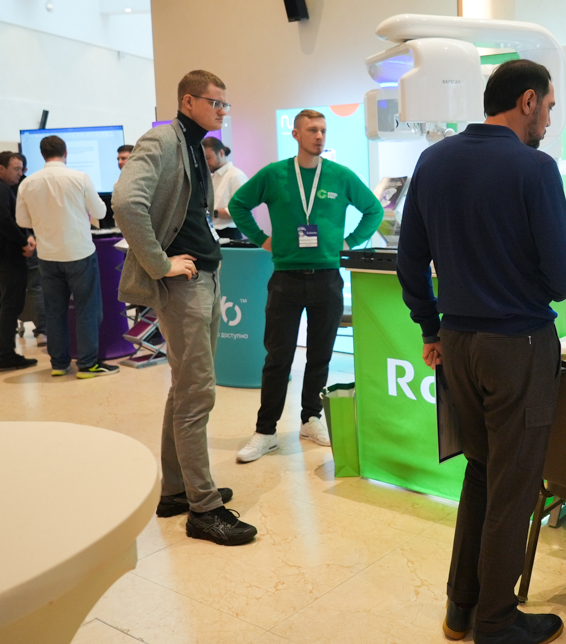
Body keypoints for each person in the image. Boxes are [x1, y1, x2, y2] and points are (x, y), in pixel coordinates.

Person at [396, 59, 566, 644]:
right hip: (517, 344)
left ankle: (462, 607)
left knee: (480, 471)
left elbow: (409, 261)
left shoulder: (433, 161)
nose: (548, 121)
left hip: (458, 343)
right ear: (527, 101)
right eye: (548, 107)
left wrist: (431, 327)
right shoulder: (535, 169)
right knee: (514, 485)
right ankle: (497, 622)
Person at [113, 69, 253, 546]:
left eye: (225, 104)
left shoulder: (195, 146)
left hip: (205, 277)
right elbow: (126, 203)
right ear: (189, 101)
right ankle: (204, 509)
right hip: (184, 284)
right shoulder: (161, 139)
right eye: (215, 102)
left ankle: (176, 490)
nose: (222, 111)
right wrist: (159, 263)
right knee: (197, 394)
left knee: (185, 389)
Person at [230, 109, 383, 462]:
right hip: (285, 278)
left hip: (327, 279)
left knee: (320, 355)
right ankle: (266, 431)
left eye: (323, 130)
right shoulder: (274, 174)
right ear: (296, 134)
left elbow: (373, 210)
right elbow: (238, 205)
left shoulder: (340, 175)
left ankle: (311, 418)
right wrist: (261, 239)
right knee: (278, 358)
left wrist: (350, 242)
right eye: (312, 130)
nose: (319, 136)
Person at [16, 135, 117, 378]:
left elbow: (22, 221)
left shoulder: (28, 183)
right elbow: (100, 211)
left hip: (48, 255)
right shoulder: (79, 177)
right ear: (66, 153)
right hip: (79, 252)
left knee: (54, 311)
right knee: (87, 309)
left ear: (42, 154)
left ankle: (59, 364)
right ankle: (88, 364)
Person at [0, 152, 38, 372]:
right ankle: (6, 356)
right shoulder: (0, 189)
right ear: (1, 168)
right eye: (16, 169)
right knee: (10, 305)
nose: (20, 173)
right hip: (6, 256)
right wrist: (24, 243)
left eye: (21, 169)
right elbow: (5, 221)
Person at [13, 153, 46, 347]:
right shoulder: (31, 185)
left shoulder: (24, 185)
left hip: (31, 243)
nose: (18, 173)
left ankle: (43, 331)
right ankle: (44, 330)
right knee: (39, 288)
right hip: (38, 243)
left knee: (36, 288)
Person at [201, 137, 249, 241]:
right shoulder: (211, 177)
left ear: (221, 153)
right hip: (212, 232)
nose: (205, 162)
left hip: (230, 232)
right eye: (203, 158)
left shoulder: (236, 176)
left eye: (208, 158)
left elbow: (242, 209)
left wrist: (213, 212)